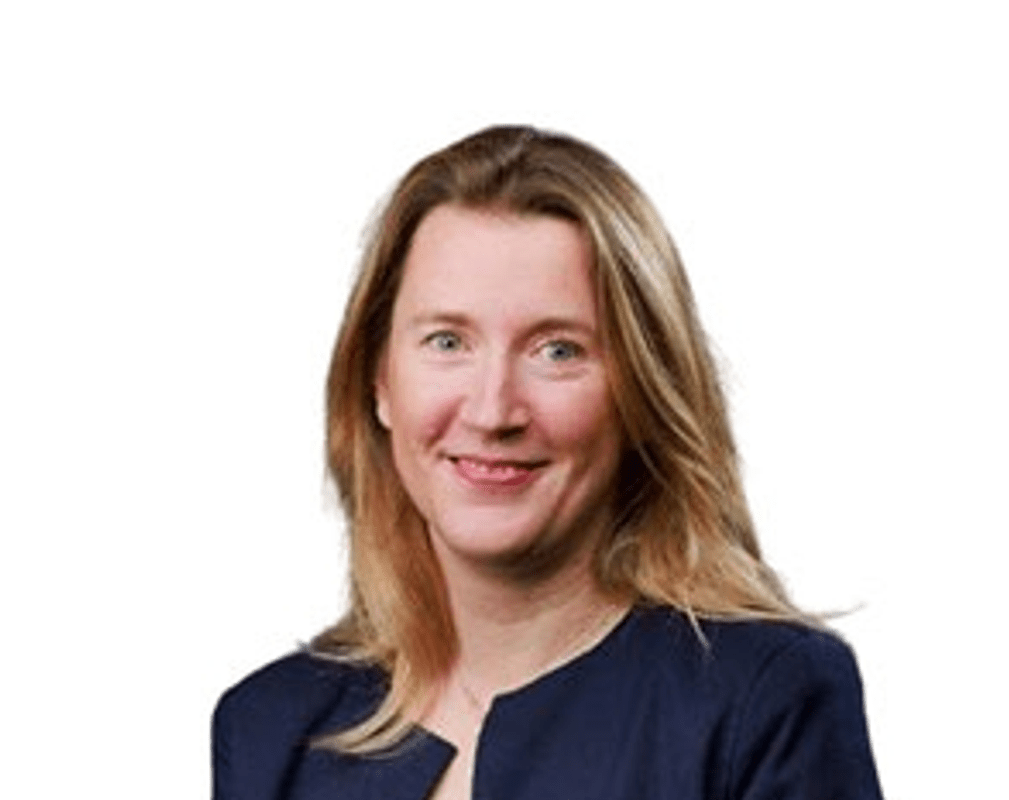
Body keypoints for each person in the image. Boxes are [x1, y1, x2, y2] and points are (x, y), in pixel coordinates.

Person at [212, 125, 883, 800]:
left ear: (642, 392)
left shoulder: (766, 699)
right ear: (379, 379)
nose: (492, 410)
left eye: (557, 351)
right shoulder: (268, 730)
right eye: (447, 341)